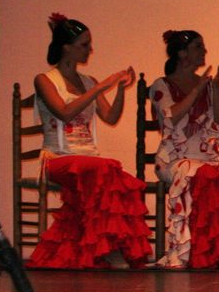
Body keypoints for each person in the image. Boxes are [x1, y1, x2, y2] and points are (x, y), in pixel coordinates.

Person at [26, 13, 153, 269]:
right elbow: (63, 112)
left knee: (111, 173)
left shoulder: (88, 82)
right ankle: (109, 249)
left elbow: (110, 116)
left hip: (87, 160)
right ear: (67, 48)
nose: (89, 50)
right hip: (58, 157)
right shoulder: (45, 80)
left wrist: (118, 89)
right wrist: (101, 86)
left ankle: (108, 247)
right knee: (104, 169)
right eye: (84, 45)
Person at [148, 30, 219, 269]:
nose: (204, 51)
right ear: (182, 53)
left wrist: (216, 88)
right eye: (199, 47)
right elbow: (171, 117)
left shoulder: (207, 85)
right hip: (174, 159)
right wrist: (197, 91)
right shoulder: (162, 85)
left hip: (204, 158)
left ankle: (218, 251)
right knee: (203, 175)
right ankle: (194, 251)